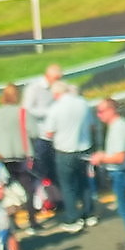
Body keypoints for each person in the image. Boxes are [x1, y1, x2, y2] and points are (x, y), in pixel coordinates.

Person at [43, 79, 97, 232]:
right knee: (84, 183)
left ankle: (73, 218)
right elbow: (91, 125)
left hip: (65, 151)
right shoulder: (82, 103)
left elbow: (49, 132)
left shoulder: (55, 108)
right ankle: (89, 214)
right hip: (84, 148)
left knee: (68, 186)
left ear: (57, 93)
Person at [0, 83, 39, 225]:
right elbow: (34, 133)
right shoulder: (22, 112)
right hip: (21, 156)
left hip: (2, 158)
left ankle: (12, 222)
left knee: (7, 190)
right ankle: (32, 220)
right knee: (28, 189)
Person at [92, 97, 125, 245]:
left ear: (111, 110)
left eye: (101, 111)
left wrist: (101, 158)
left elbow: (119, 157)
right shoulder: (117, 126)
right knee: (124, 208)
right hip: (119, 172)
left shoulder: (119, 128)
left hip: (120, 172)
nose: (99, 115)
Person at [22, 63, 63, 209]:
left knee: (57, 169)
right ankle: (46, 200)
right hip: (41, 136)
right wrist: (49, 112)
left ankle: (58, 200)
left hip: (55, 136)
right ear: (48, 76)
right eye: (56, 79)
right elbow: (27, 109)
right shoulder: (34, 89)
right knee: (43, 171)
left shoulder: (56, 88)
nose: (58, 82)